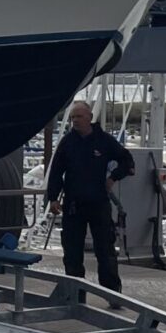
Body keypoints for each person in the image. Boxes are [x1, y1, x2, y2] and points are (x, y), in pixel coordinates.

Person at [45, 99, 134, 293]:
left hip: (99, 203)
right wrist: (53, 198)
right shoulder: (67, 142)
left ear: (89, 118)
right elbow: (56, 171)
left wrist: (113, 177)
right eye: (72, 117)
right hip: (73, 205)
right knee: (72, 252)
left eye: (79, 117)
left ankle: (112, 292)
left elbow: (127, 161)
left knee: (105, 250)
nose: (75, 121)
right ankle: (75, 292)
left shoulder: (104, 141)